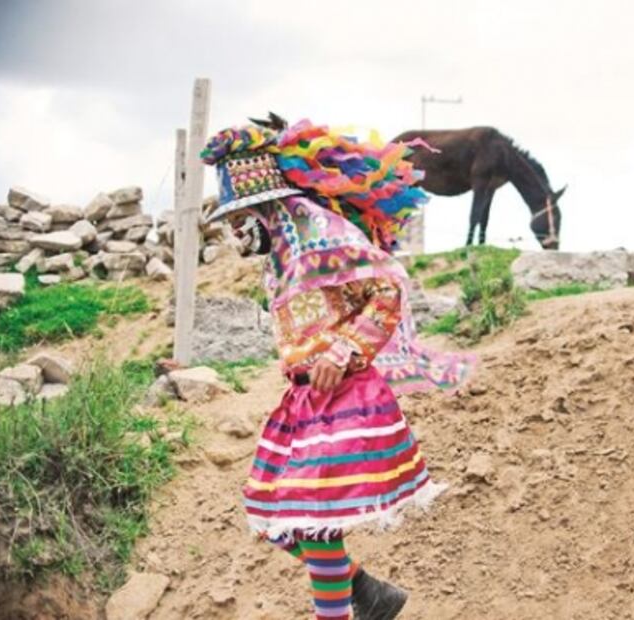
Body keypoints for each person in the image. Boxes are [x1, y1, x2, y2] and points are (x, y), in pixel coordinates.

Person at [201, 124, 473, 620]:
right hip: (304, 401)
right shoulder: (279, 257)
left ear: (267, 205)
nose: (236, 231)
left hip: (346, 394)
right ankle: (367, 591)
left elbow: (388, 289)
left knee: (316, 525)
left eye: (240, 217)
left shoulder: (323, 234)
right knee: (274, 516)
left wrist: (342, 351)